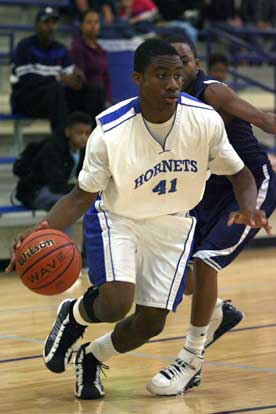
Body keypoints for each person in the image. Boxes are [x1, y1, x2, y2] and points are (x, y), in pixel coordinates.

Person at [6, 38, 269, 400]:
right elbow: (79, 196)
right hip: (120, 218)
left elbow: (241, 175)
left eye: (177, 75)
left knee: (151, 324)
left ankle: (92, 356)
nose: (173, 84)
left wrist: (250, 206)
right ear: (138, 78)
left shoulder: (204, 120)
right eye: (162, 75)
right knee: (115, 303)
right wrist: (41, 231)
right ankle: (75, 315)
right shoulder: (110, 131)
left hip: (174, 224)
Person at [147, 35, 276, 396]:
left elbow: (262, 119)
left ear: (196, 65)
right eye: (171, 63)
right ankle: (219, 311)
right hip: (206, 192)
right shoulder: (165, 103)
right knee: (178, 272)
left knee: (206, 263)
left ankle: (190, 359)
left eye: (185, 61)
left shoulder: (212, 93)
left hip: (248, 185)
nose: (178, 69)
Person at [11, 6, 105, 132]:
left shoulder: (60, 49)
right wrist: (58, 78)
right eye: (46, 22)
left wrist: (77, 79)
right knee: (57, 90)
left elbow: (70, 76)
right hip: (27, 98)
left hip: (53, 97)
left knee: (94, 90)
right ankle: (62, 140)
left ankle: (91, 140)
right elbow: (27, 79)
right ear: (36, 24)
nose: (50, 26)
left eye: (53, 22)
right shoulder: (25, 46)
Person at [13, 112, 92, 212]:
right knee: (65, 205)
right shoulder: (53, 149)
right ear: (68, 132)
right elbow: (57, 186)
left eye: (87, 133)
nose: (84, 137)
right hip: (35, 192)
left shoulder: (82, 151)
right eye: (79, 133)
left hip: (55, 190)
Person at [70, 9, 112, 105]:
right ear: (81, 26)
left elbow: (106, 78)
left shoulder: (101, 50)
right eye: (89, 22)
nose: (93, 26)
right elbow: (80, 80)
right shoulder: (77, 48)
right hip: (85, 97)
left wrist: (108, 99)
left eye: (96, 22)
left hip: (101, 96)